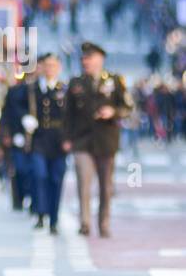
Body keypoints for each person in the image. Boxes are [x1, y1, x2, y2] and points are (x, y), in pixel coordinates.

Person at [64, 41, 131, 237]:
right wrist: (67, 138)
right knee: (83, 182)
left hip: (105, 141)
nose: (86, 62)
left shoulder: (115, 81)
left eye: (89, 58)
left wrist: (113, 111)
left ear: (100, 59)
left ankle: (104, 223)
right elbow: (67, 114)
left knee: (105, 187)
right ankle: (84, 222)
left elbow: (128, 108)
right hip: (82, 141)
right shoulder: (76, 83)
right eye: (83, 58)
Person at [25, 53, 66, 235]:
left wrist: (69, 139)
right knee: (40, 175)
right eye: (47, 65)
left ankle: (54, 219)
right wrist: (24, 119)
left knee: (56, 179)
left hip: (59, 141)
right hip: (39, 138)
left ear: (59, 68)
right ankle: (41, 213)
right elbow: (15, 107)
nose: (50, 69)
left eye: (53, 65)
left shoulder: (65, 89)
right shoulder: (32, 89)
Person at [0, 71, 34, 213]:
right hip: (17, 136)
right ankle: (18, 199)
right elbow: (6, 114)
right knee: (19, 169)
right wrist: (6, 135)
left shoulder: (37, 90)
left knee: (34, 172)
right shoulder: (14, 91)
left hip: (36, 139)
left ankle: (34, 201)